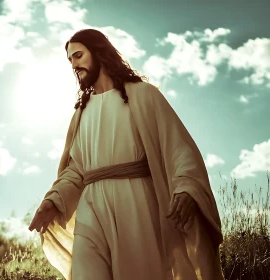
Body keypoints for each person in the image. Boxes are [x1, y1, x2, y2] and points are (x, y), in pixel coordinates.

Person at [28, 29, 224, 280]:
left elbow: (179, 149)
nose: (74, 65)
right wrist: (54, 200)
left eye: (78, 55)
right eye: (70, 60)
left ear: (99, 52)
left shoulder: (144, 95)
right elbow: (76, 169)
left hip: (136, 203)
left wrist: (185, 188)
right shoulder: (81, 112)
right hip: (91, 207)